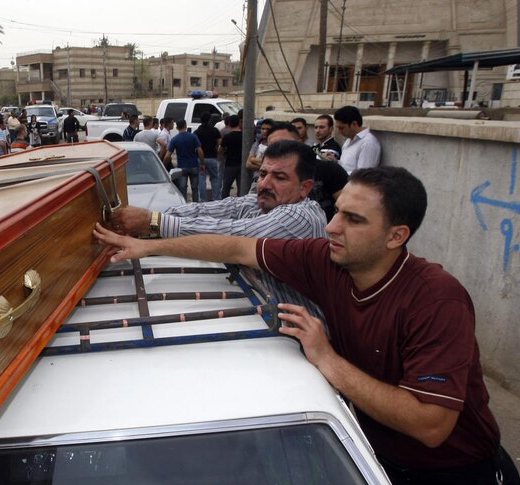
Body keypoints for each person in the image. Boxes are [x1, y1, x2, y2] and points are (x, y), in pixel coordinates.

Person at [96, 166, 520, 485]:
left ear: (396, 236)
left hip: (455, 472)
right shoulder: (328, 258)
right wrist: (147, 246)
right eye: (337, 213)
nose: (333, 227)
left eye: (354, 220)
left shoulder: (436, 299)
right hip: (374, 457)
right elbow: (238, 247)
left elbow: (431, 425)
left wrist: (327, 360)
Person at [111, 139, 325, 316]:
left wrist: (154, 222)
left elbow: (233, 237)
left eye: (279, 177)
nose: (264, 184)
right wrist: (148, 218)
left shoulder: (301, 216)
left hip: (302, 345)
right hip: (268, 316)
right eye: (262, 174)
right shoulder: (262, 202)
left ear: (304, 187)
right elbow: (207, 210)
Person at [164, 119, 204, 202]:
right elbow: (200, 151)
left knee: (183, 189)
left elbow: (167, 156)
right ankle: (196, 205)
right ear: (185, 126)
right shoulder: (193, 136)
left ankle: (184, 206)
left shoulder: (175, 139)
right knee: (195, 189)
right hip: (194, 165)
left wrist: (163, 165)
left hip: (182, 167)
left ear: (177, 127)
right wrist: (202, 163)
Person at [333, 105, 381, 174]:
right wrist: (335, 161)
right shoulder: (348, 140)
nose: (339, 131)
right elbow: (346, 165)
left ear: (354, 124)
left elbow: (363, 174)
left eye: (342, 128)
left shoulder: (368, 143)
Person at [194, 112, 222, 202]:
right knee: (215, 178)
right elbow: (220, 145)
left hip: (200, 159)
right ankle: (216, 199)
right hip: (212, 158)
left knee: (201, 179)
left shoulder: (196, 132)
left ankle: (203, 199)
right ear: (210, 120)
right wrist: (218, 155)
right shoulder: (215, 130)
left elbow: (196, 147)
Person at [219, 114, 243, 198]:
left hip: (230, 164)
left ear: (229, 124)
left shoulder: (227, 137)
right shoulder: (244, 136)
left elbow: (220, 150)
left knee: (226, 187)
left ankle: (224, 204)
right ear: (239, 123)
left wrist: (224, 153)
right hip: (242, 164)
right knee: (241, 188)